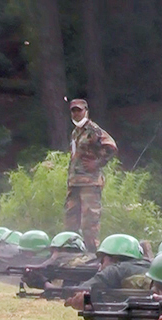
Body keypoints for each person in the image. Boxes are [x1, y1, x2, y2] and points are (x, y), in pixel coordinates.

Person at [65, 99, 118, 253]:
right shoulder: (75, 132)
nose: (76, 113)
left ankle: (93, 255)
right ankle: (72, 252)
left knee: (89, 223)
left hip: (89, 183)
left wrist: (98, 163)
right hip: (74, 183)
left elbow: (111, 146)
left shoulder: (93, 130)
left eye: (79, 110)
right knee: (70, 221)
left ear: (86, 111)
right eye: (73, 111)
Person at [63, 234, 150, 309]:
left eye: (102, 261)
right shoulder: (151, 268)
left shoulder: (115, 270)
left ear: (114, 259)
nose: (100, 268)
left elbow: (78, 291)